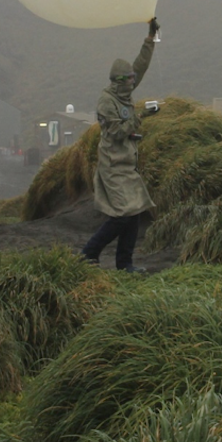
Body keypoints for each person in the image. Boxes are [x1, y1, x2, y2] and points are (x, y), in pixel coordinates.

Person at [82, 17, 162, 271]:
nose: (132, 81)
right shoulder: (106, 102)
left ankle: (125, 265)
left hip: (127, 164)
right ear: (118, 81)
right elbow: (116, 132)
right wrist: (141, 117)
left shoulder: (124, 91)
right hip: (112, 165)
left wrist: (150, 38)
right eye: (128, 79)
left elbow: (141, 65)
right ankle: (88, 254)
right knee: (121, 215)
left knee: (134, 212)